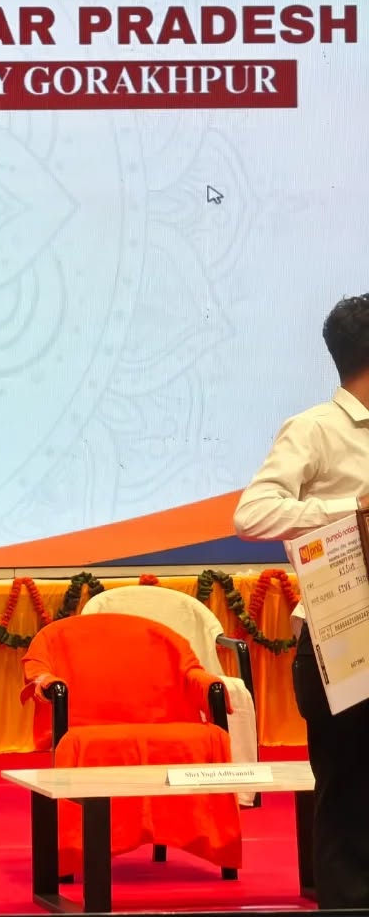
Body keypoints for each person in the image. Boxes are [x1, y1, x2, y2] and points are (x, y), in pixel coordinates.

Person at [234, 292, 369, 909]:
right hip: (343, 635)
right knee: (349, 797)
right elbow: (253, 514)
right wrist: (353, 508)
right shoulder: (315, 429)